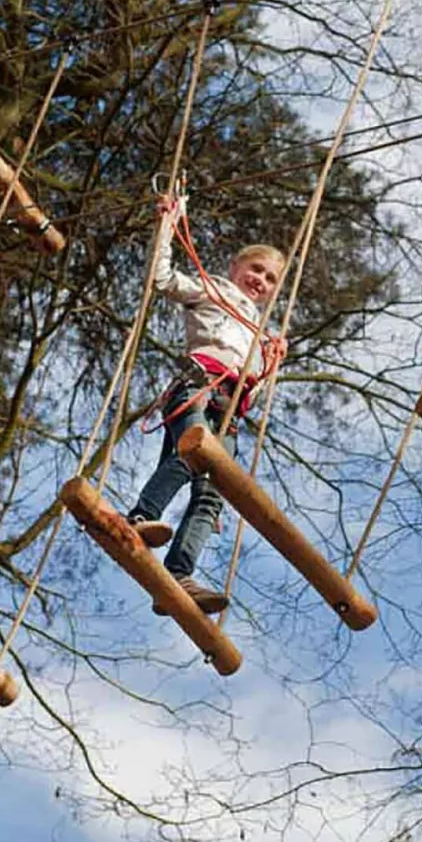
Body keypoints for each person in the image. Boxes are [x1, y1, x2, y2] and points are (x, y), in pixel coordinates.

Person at [126, 195, 285, 614]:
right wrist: (166, 225)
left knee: (212, 495)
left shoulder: (262, 334)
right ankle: (140, 518)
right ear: (235, 268)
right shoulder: (213, 290)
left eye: (270, 279)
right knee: (192, 456)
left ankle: (180, 575)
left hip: (228, 410)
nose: (260, 280)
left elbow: (258, 393)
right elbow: (160, 279)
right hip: (198, 385)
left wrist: (272, 364)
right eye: (256, 269)